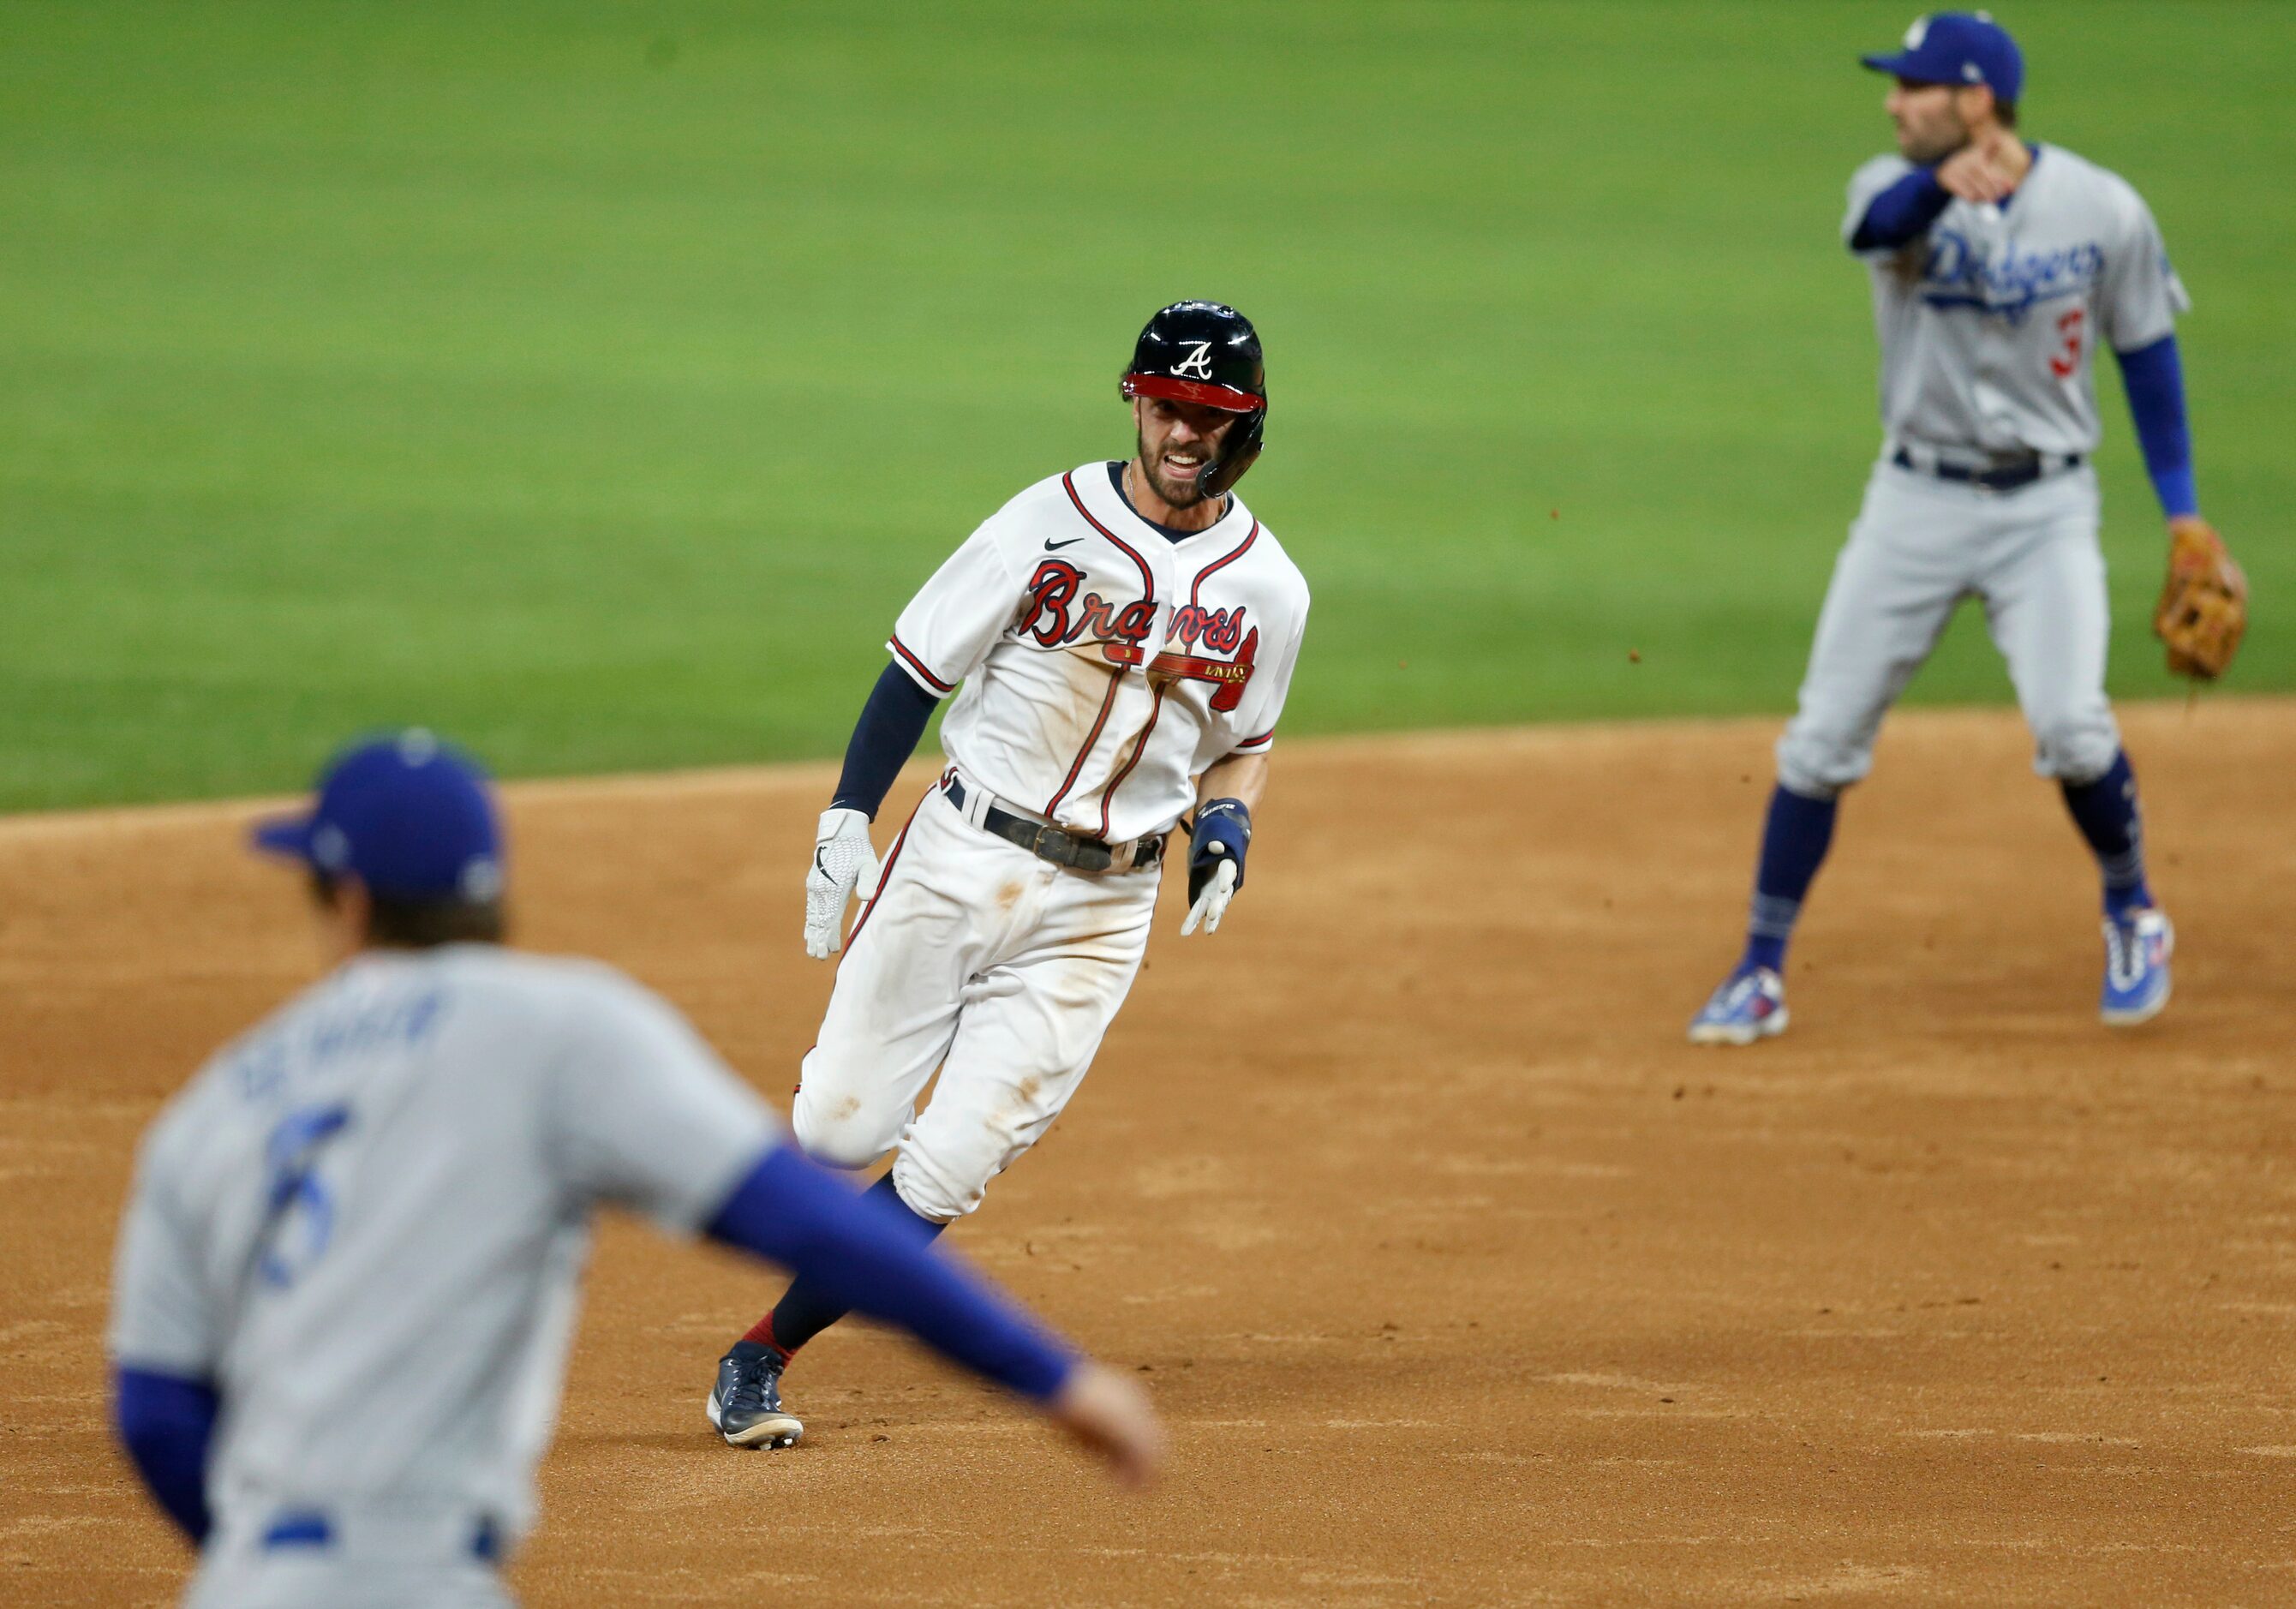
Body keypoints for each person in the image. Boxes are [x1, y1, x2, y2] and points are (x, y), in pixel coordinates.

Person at [107, 731, 1160, 1608]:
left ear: (343, 899)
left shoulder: (213, 1108)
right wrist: (1051, 1379)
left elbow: (155, 1415)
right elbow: (809, 1220)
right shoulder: (561, 1028)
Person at [706, 301, 1311, 1449]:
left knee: (948, 1164)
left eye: (1211, 415)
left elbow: (1245, 741)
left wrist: (1227, 830)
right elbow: (914, 668)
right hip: (959, 855)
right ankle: (787, 1212)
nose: (1185, 432)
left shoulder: (1270, 590)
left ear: (1249, 427)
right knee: (837, 1130)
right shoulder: (1046, 522)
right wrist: (847, 814)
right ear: (1137, 402)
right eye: (1168, 406)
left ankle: (761, 1354)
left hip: (1104, 906)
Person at [1688, 11, 2232, 1044]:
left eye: (1913, 86)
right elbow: (1875, 228)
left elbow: (2148, 356)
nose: (1893, 101)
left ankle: (2133, 911)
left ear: (1974, 97)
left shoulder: (2102, 207)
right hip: (1914, 504)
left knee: (2073, 728)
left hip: (2046, 508)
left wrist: (2184, 511)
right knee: (1819, 742)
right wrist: (1940, 184)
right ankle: (1759, 969)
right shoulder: (1890, 189)